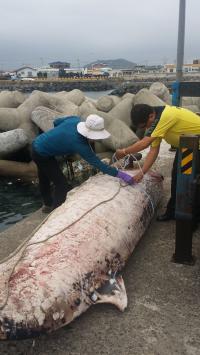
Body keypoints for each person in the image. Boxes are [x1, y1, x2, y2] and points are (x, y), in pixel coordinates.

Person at [32, 114, 134, 213]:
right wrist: (121, 175)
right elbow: (100, 165)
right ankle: (54, 214)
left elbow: (56, 122)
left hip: (38, 142)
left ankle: (47, 205)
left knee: (44, 177)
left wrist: (59, 138)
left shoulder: (74, 119)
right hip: (42, 154)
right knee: (61, 184)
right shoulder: (80, 145)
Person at [116, 104, 200, 221]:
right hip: (185, 147)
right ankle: (173, 211)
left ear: (151, 116)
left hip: (197, 147)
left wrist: (124, 151)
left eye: (145, 125)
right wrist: (142, 172)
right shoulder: (157, 120)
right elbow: (153, 150)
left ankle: (192, 219)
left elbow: (144, 143)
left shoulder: (165, 116)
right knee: (176, 178)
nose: (145, 129)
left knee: (192, 183)